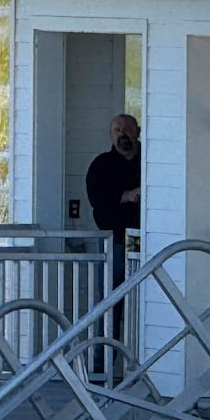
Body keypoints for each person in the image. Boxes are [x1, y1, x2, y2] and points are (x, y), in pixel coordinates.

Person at [86, 113, 141, 289]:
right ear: (111, 134)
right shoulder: (101, 165)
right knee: (110, 294)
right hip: (114, 239)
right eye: (117, 130)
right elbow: (97, 199)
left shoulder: (152, 160)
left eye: (128, 129)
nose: (123, 133)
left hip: (145, 238)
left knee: (143, 292)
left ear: (138, 132)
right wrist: (127, 195)